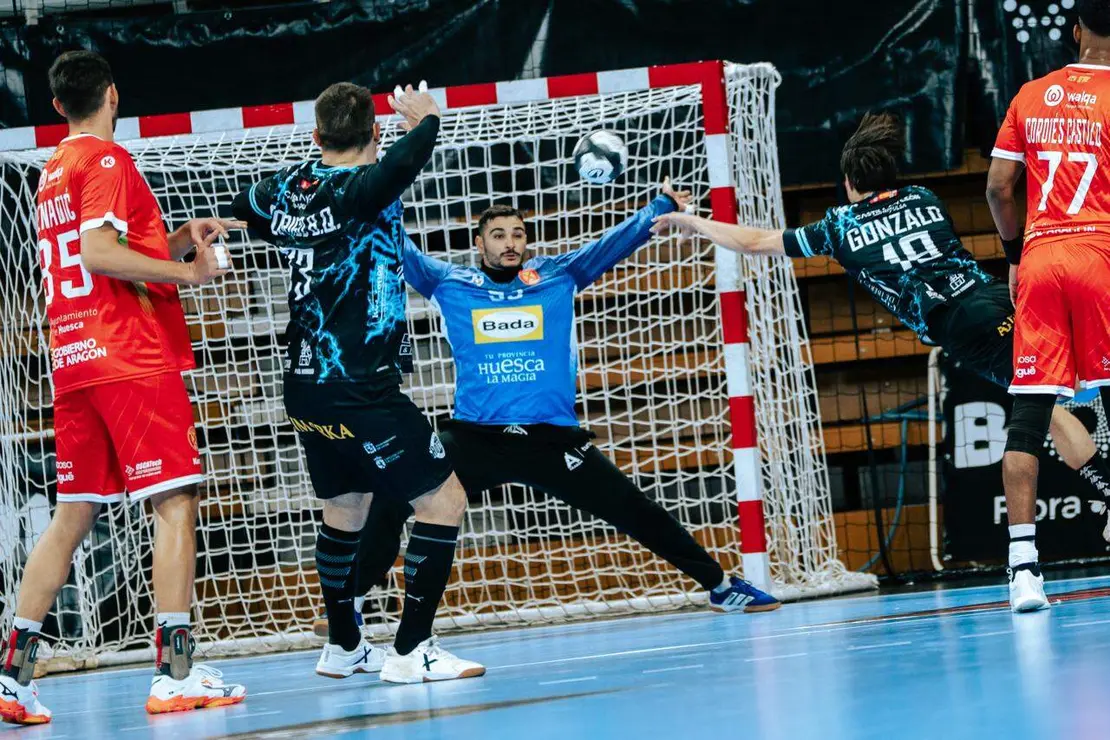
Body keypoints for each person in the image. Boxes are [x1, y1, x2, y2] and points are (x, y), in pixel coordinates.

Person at [654, 112, 1110, 614]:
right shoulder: (924, 198)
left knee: (1039, 418)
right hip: (1001, 302)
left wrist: (692, 221)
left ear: (849, 183)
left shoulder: (839, 228)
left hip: (966, 332)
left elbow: (756, 242)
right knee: (1051, 409)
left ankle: (1035, 557)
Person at [313, 178, 781, 641]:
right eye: (498, 235)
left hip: (550, 441)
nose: (510, 243)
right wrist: (375, 190)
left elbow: (608, 245)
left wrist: (657, 208)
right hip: (475, 439)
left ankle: (719, 586)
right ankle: (351, 604)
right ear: (480, 244)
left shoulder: (557, 276)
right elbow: (401, 248)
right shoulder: (449, 283)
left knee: (635, 510)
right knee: (392, 497)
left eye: (518, 234)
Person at [0, 51, 245, 725]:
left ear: (56, 107)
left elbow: (105, 254)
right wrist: (188, 276)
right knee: (175, 501)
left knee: (72, 514)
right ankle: (175, 675)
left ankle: (13, 677)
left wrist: (173, 243)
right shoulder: (105, 161)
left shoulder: (52, 171)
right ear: (113, 94)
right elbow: (99, 255)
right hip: (129, 355)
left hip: (74, 356)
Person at [229, 82, 483, 684]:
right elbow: (404, 160)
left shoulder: (283, 189)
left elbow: (246, 208)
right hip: (360, 386)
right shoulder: (365, 189)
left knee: (345, 509)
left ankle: (344, 647)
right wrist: (425, 120)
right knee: (443, 501)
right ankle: (410, 649)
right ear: (374, 133)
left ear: (315, 138)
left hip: (305, 386)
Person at [985, 0, 1110, 610]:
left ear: (1076, 29)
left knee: (1027, 419)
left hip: (1039, 259)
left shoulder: (1030, 95)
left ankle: (1024, 570)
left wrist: (1014, 255)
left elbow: (997, 188)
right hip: (1101, 257)